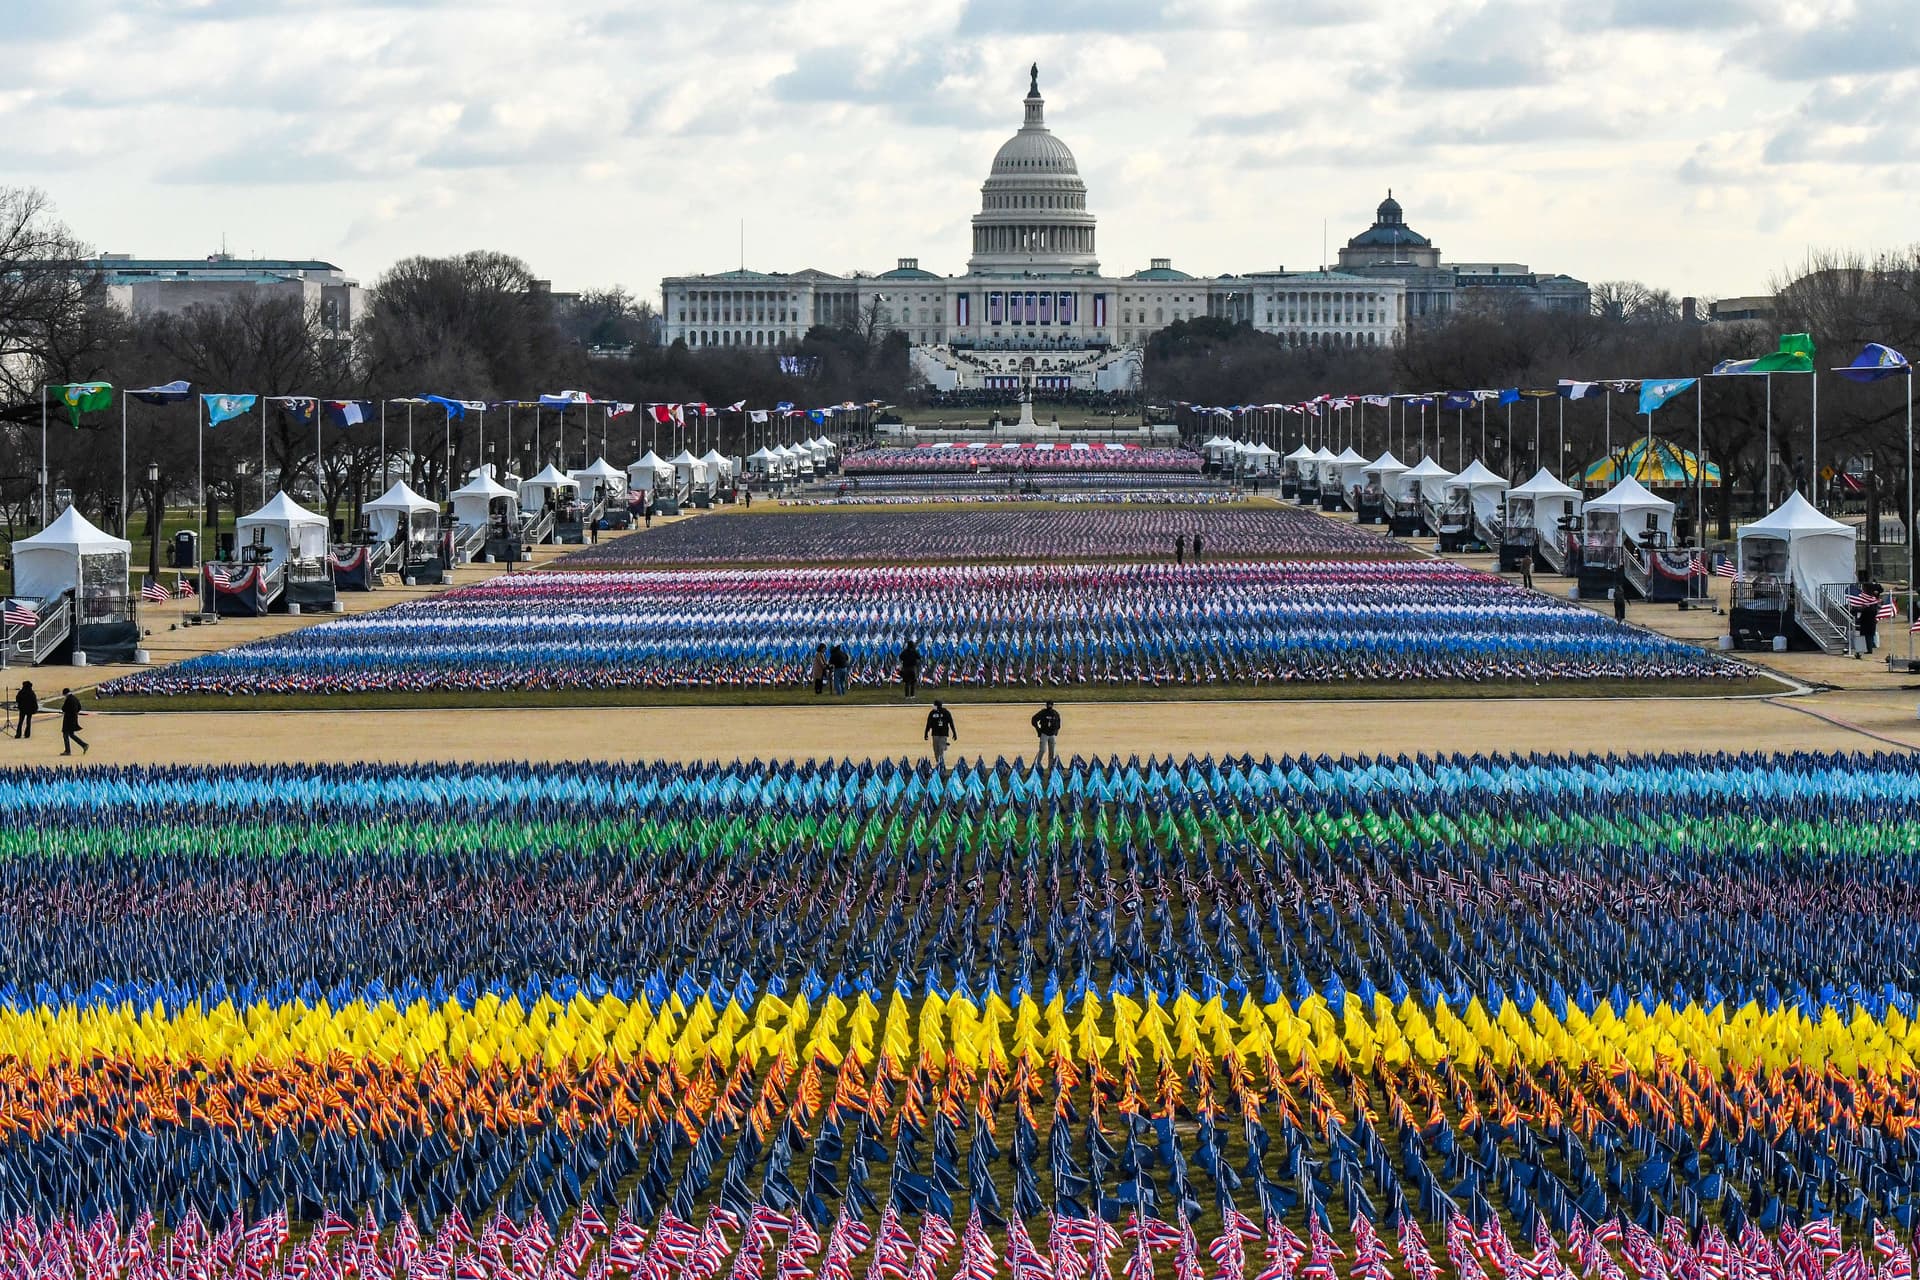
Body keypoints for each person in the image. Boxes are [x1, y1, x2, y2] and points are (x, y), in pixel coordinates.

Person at [923, 699, 956, 769]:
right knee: (936, 750)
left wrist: (954, 733)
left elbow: (951, 722)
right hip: (935, 734)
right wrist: (926, 732)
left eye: (934, 705)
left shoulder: (946, 712)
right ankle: (939, 762)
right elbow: (928, 723)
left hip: (943, 734)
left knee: (940, 750)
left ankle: (941, 765)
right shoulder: (932, 713)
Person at [1030, 700, 1062, 770]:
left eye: (1050, 705)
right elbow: (1034, 719)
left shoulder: (1055, 714)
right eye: (1048, 705)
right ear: (1046, 705)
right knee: (1042, 750)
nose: (1049, 706)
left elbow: (1059, 724)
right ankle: (1037, 764)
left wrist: (1056, 731)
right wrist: (1038, 729)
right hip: (1044, 734)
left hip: (1052, 735)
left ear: (1052, 705)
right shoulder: (1043, 713)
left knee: (1052, 752)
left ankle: (1050, 767)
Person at [59, 688, 85, 756]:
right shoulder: (75, 698)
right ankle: (84, 745)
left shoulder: (68, 699)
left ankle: (68, 751)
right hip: (74, 718)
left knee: (65, 735)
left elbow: (63, 709)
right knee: (71, 734)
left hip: (68, 719)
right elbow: (79, 707)